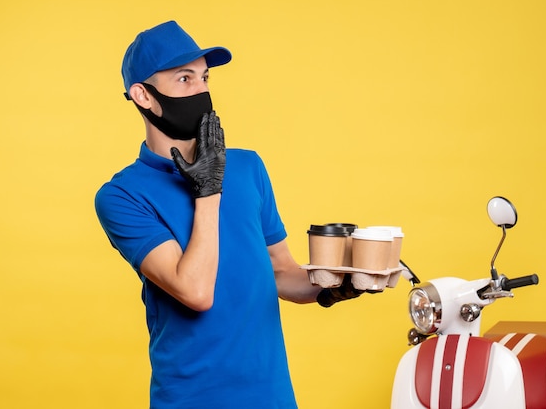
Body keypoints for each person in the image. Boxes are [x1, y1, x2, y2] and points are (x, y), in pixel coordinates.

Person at [94, 20, 361, 409]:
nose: (201, 90)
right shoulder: (121, 195)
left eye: (204, 78)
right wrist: (208, 190)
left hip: (271, 396)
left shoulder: (248, 167)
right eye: (184, 79)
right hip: (190, 398)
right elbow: (196, 292)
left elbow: (280, 271)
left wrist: (334, 285)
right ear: (143, 96)